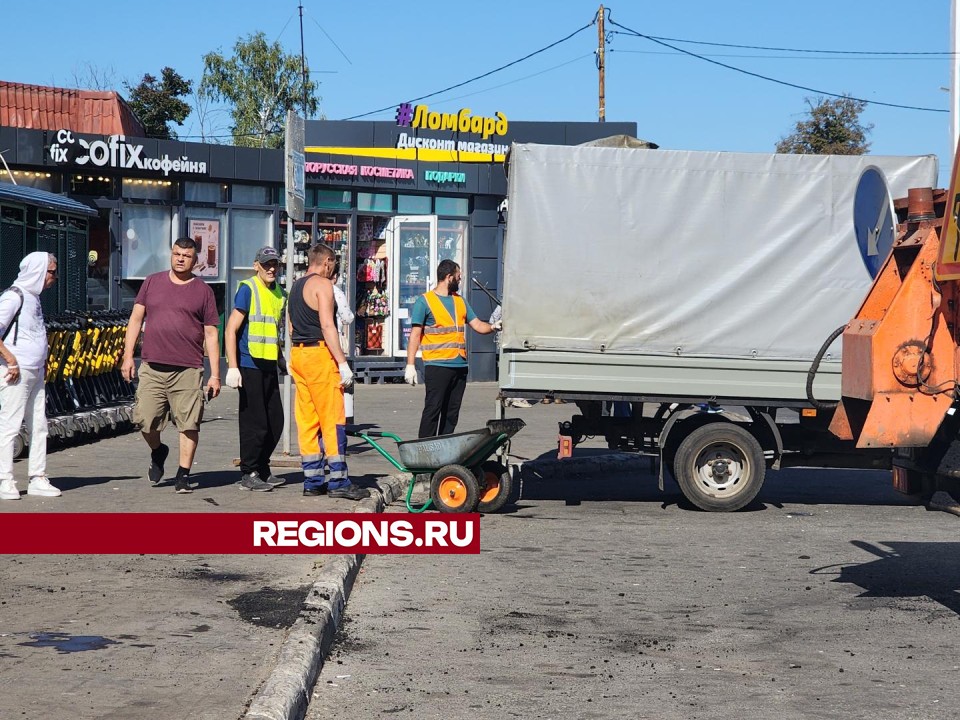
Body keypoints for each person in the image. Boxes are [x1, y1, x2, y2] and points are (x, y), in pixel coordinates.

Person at [121, 238, 221, 494]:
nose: (180, 259)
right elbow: (135, 319)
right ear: (171, 255)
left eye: (186, 256)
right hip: (152, 367)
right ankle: (158, 450)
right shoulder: (152, 282)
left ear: (195, 260)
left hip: (188, 369)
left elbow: (211, 333)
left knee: (189, 423)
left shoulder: (203, 291)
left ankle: (183, 475)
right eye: (176, 254)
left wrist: (215, 375)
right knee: (145, 421)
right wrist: (127, 356)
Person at [288, 244, 369, 500]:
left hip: (299, 355)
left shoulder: (295, 286)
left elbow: (290, 327)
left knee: (307, 419)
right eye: (333, 264)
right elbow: (327, 325)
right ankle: (338, 481)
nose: (333, 269)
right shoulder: (323, 285)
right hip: (320, 355)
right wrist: (342, 362)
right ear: (327, 262)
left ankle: (312, 480)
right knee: (332, 418)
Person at [405, 259, 499, 437]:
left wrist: (493, 326)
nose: (460, 280)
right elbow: (415, 335)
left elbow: (478, 325)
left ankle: (443, 447)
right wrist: (410, 365)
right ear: (449, 277)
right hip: (437, 365)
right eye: (458, 277)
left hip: (459, 366)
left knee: (451, 414)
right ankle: (424, 449)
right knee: (433, 409)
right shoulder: (424, 302)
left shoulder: (460, 301)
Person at [224, 246, 287, 492]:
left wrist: (282, 360)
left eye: (275, 264)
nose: (271, 268)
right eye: (266, 264)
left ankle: (262, 467)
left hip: (269, 364)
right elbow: (231, 329)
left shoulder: (281, 293)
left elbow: (274, 331)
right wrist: (232, 366)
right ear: (256, 265)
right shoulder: (248, 289)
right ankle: (249, 472)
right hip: (249, 365)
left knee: (276, 422)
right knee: (255, 423)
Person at [0, 252, 61, 500]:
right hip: (16, 371)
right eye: (51, 272)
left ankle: (37, 477)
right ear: (38, 271)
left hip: (35, 370)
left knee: (39, 425)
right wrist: (11, 360)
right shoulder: (14, 297)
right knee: (10, 425)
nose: (54, 277)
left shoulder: (33, 298)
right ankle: (5, 479)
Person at [489, 304, 531, 408]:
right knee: (515, 370)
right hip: (510, 341)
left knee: (510, 370)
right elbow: (492, 320)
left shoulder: (508, 304)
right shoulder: (504, 304)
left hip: (514, 340)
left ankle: (508, 397)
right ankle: (516, 398)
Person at [330, 262, 356, 423]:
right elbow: (347, 317)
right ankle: (342, 419)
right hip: (335, 338)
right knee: (340, 379)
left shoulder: (306, 286)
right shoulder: (335, 291)